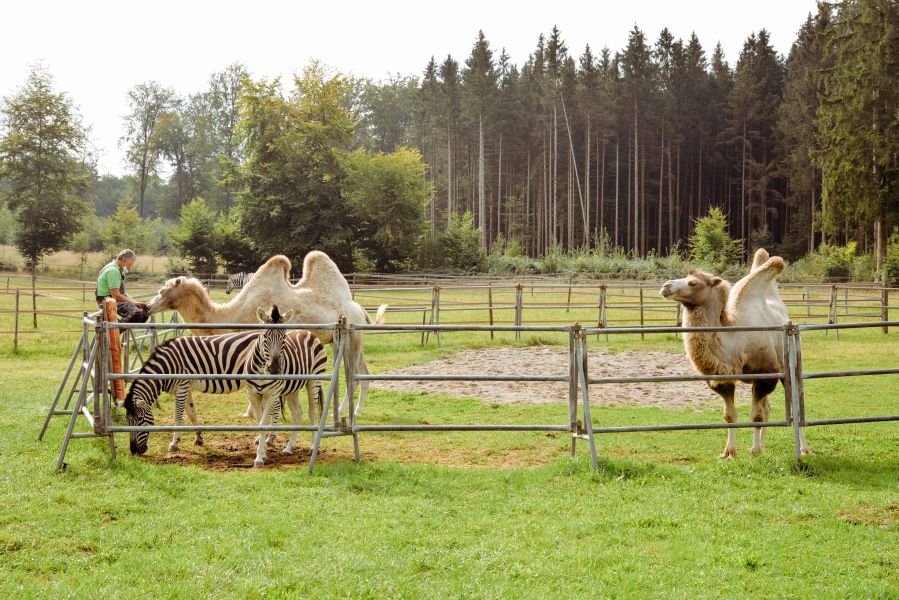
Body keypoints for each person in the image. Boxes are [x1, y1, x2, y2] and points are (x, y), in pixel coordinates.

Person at [95, 249, 148, 313]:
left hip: (112, 298)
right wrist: (134, 304)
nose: (130, 266)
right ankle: (121, 323)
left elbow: (122, 294)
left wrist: (136, 303)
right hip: (107, 300)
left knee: (142, 312)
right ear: (123, 261)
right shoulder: (113, 271)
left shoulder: (118, 269)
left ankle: (121, 322)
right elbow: (116, 295)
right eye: (130, 264)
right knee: (137, 313)